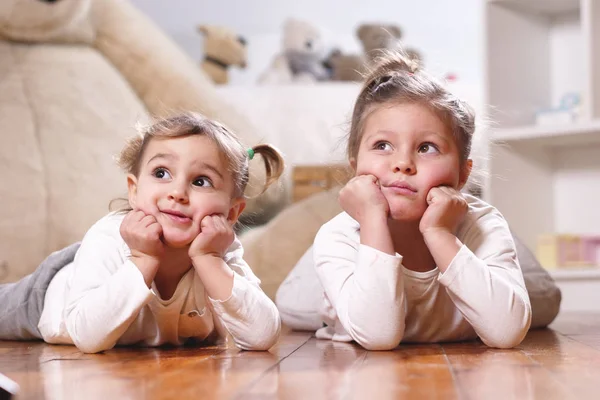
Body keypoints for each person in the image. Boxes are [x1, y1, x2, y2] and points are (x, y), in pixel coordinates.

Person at [276, 52, 535, 350]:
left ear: (463, 174)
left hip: (466, 237)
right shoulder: (338, 237)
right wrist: (372, 219)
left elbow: (507, 332)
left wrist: (439, 234)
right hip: (334, 286)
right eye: (382, 145)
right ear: (355, 166)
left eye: (427, 148)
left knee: (541, 300)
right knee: (291, 304)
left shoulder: (484, 224)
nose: (402, 163)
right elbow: (378, 336)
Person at [0, 112, 284, 353]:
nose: (177, 193)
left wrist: (210, 259)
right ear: (134, 191)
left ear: (232, 213)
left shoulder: (220, 250)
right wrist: (142, 259)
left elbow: (263, 335)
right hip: (48, 296)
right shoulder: (109, 237)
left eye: (201, 181)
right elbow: (86, 335)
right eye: (162, 173)